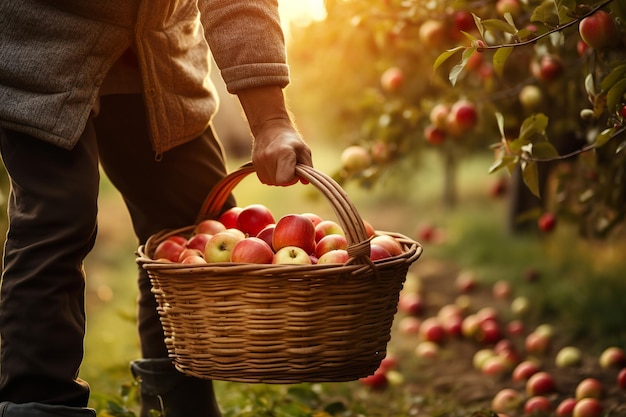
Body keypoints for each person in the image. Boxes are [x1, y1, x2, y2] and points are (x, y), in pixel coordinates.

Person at [0, 2, 313, 417]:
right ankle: (38, 405)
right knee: (58, 217)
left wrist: (271, 118)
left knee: (196, 226)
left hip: (160, 54)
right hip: (41, 42)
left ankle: (178, 404)